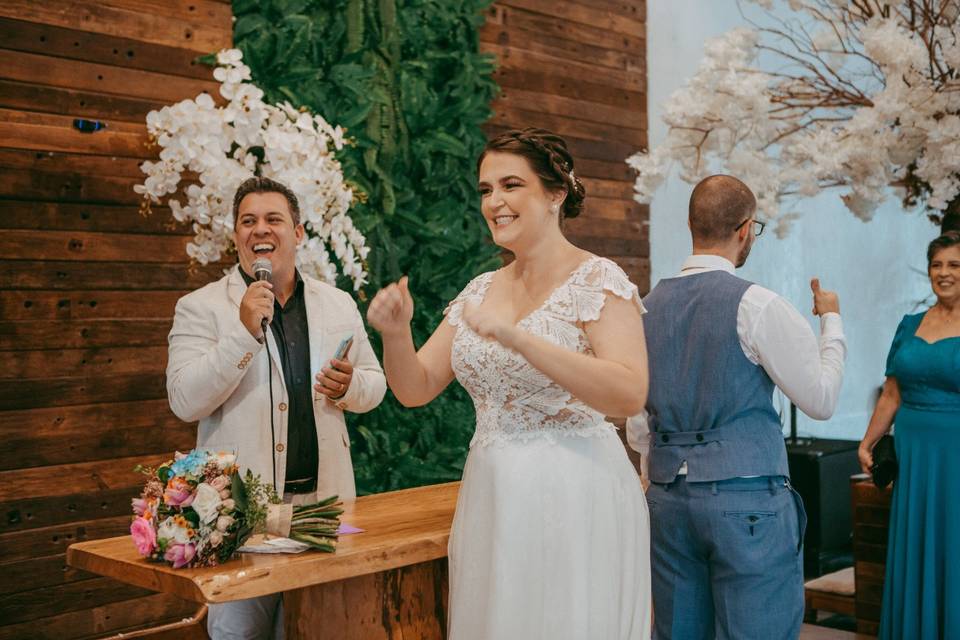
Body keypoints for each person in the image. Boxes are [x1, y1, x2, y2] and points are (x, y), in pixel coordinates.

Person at [366, 128, 652, 639]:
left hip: (575, 492)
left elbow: (629, 392)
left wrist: (522, 341)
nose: (494, 201)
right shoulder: (480, 288)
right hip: (494, 493)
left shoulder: (598, 280)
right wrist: (395, 333)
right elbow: (416, 387)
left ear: (555, 194)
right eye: (485, 190)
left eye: (511, 185)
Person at [166, 176, 386, 640]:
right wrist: (243, 331)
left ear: (299, 231)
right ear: (235, 235)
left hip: (324, 509)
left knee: (321, 629)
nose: (260, 230)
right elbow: (184, 401)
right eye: (248, 221)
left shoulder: (338, 303)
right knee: (239, 634)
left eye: (273, 219)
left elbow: (375, 385)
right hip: (242, 517)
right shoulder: (200, 307)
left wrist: (349, 388)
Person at [627, 175, 846, 640]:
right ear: (746, 229)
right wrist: (831, 321)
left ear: (690, 224)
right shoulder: (758, 304)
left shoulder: (642, 310)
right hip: (745, 500)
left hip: (666, 500)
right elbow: (821, 399)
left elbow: (637, 424)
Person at [859, 231, 960, 640]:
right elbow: (892, 393)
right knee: (918, 549)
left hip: (954, 455)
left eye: (954, 265)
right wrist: (867, 443)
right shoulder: (910, 325)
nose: (944, 273)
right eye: (937, 265)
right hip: (914, 455)